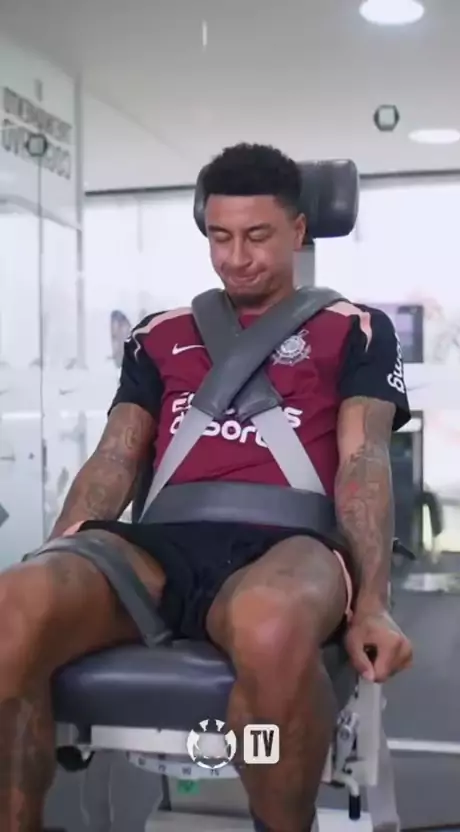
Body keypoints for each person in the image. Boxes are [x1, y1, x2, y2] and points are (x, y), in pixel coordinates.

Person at [0, 143, 412, 832]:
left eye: (257, 236)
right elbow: (115, 458)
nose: (236, 257)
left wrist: (372, 603)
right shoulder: (158, 335)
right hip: (159, 548)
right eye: (220, 237)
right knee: (13, 604)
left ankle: (279, 820)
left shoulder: (356, 329)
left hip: (289, 545)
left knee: (269, 622)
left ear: (298, 230)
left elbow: (363, 461)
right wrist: (57, 549)